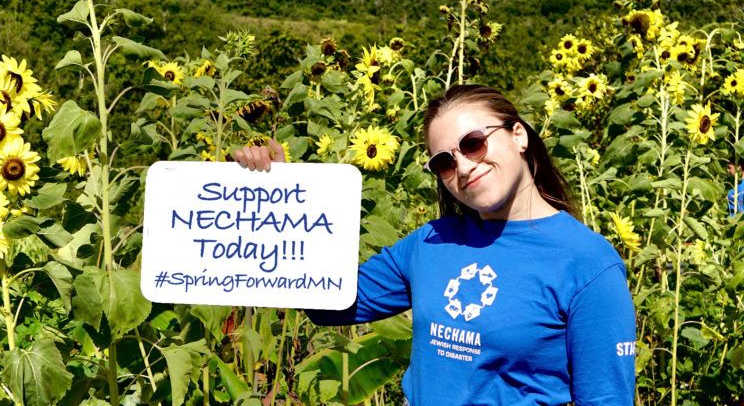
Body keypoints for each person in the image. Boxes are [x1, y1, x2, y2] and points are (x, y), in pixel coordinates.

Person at [235, 84, 636, 405]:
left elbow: (606, 398)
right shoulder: (430, 242)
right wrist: (284, 196)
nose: (462, 165)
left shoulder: (587, 264)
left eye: (473, 142)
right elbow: (330, 304)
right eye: (444, 162)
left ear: (519, 136)